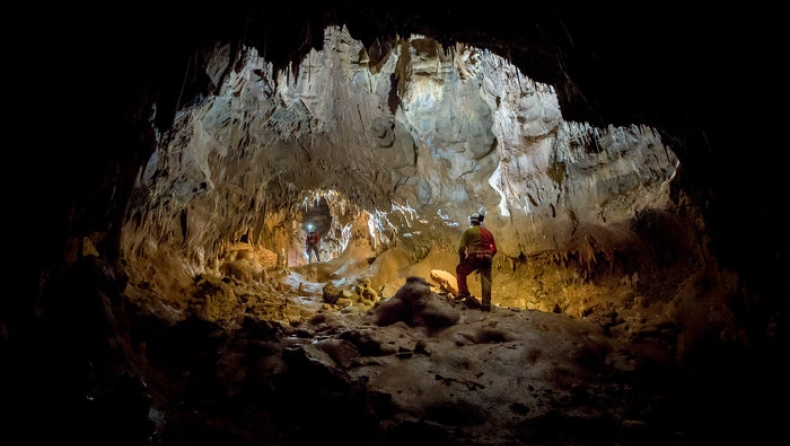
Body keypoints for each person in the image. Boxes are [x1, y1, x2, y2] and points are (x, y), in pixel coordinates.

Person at [455, 212, 497, 311]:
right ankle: (486, 305)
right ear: (480, 221)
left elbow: (461, 248)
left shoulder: (468, 232)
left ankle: (463, 292)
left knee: (460, 270)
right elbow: (495, 249)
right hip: (487, 257)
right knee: (486, 280)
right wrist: (489, 258)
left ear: (472, 221)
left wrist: (462, 260)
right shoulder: (488, 233)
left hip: (474, 257)